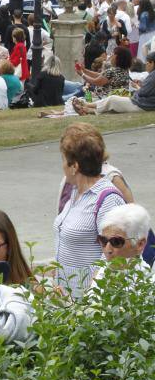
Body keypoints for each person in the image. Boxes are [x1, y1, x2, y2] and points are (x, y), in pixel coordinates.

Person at [54, 123, 127, 298]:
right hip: (67, 299)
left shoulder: (107, 199)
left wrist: (90, 299)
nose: (62, 166)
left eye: (64, 160)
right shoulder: (75, 193)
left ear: (74, 166)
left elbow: (114, 255)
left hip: (89, 303)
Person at [91, 204, 154, 289]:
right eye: (103, 240)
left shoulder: (148, 286)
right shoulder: (103, 271)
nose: (107, 250)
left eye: (116, 242)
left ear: (140, 244)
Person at [74, 51, 155, 115]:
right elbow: (99, 76)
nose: (111, 56)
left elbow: (97, 81)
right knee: (111, 101)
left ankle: (87, 106)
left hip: (141, 104)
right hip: (138, 101)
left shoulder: (112, 71)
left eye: (113, 54)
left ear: (117, 58)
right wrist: (84, 71)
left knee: (112, 99)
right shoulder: (125, 71)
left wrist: (82, 74)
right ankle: (88, 108)